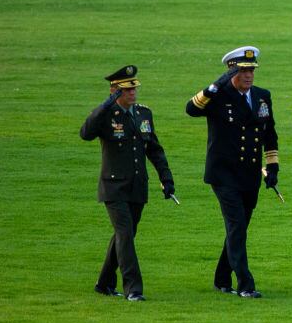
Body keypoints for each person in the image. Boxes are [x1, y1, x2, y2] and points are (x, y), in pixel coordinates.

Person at [185, 46, 279, 298]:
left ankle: (221, 277)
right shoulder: (219, 96)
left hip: (249, 174)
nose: (248, 75)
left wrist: (272, 166)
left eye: (251, 70)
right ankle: (245, 283)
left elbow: (269, 133)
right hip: (224, 174)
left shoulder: (261, 96)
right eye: (242, 70)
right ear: (230, 72)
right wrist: (212, 87)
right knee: (236, 225)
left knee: (240, 227)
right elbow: (191, 109)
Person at [80, 65, 174, 302]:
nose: (133, 94)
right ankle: (134, 289)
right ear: (114, 91)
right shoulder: (106, 115)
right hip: (113, 186)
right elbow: (86, 133)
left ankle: (104, 283)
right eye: (127, 90)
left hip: (137, 186)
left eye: (135, 89)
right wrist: (105, 105)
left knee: (125, 234)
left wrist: (166, 178)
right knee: (125, 234)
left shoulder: (143, 113)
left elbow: (154, 148)